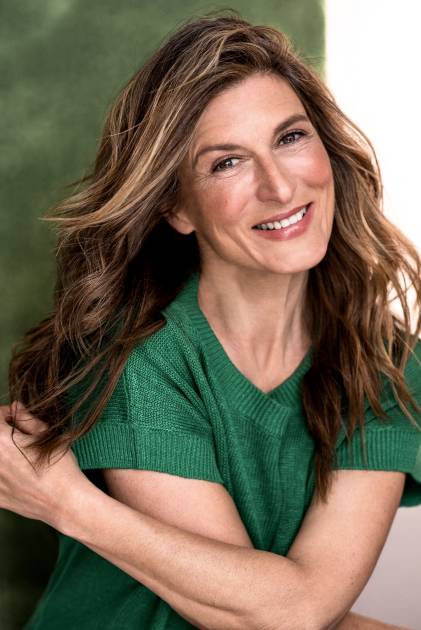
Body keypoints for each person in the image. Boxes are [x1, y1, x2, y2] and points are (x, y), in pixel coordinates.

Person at [1, 10, 421, 630]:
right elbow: (272, 620)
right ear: (177, 208)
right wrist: (70, 505)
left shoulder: (382, 360)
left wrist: (69, 504)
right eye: (227, 163)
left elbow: (307, 606)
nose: (280, 187)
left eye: (290, 138)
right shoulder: (139, 359)